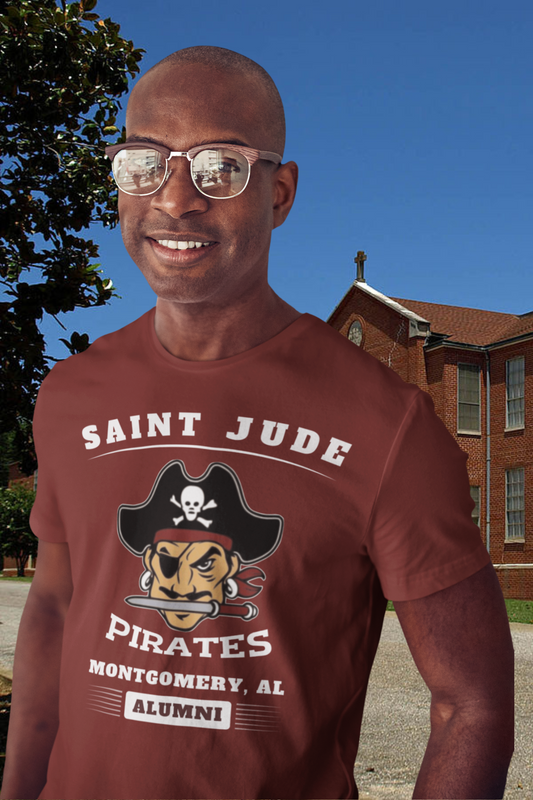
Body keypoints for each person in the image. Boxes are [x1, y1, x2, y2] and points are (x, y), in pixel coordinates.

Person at [1, 46, 513, 800]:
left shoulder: (386, 423)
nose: (176, 200)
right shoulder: (72, 394)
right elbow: (51, 608)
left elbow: (470, 702)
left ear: (278, 193)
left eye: (220, 168)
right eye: (145, 162)